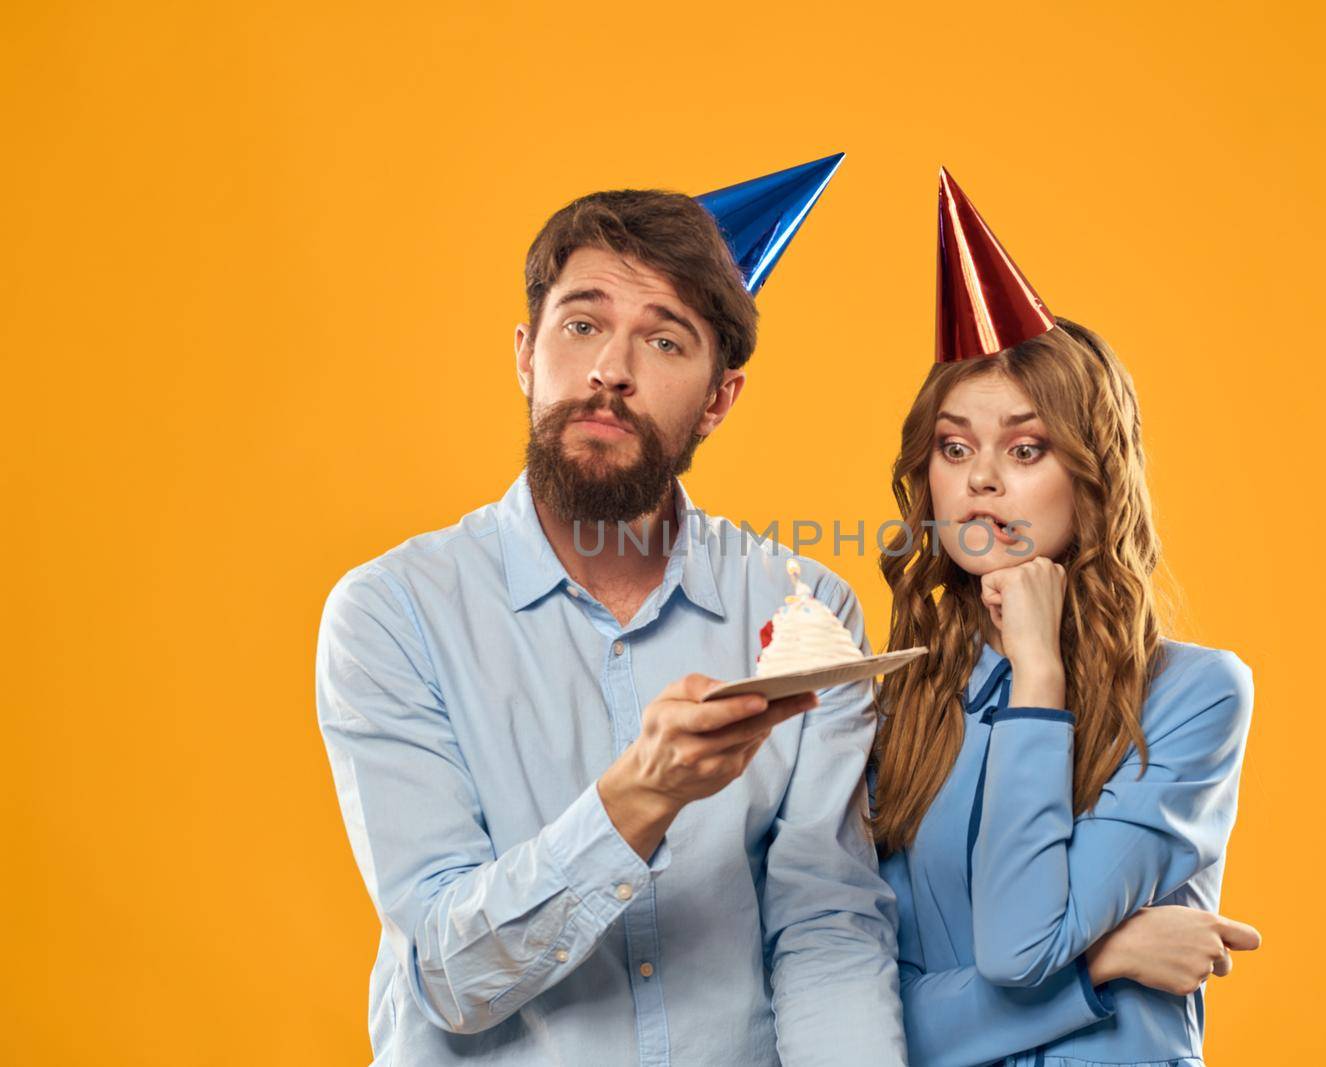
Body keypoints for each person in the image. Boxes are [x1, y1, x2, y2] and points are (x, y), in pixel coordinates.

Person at [316, 156, 909, 1066]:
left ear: (719, 399)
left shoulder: (803, 608)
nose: (609, 371)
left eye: (664, 341)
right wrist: (643, 794)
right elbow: (448, 974)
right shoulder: (393, 614)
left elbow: (827, 930)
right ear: (526, 353)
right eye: (583, 323)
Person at [871, 169, 1261, 1067]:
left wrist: (1039, 678)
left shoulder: (1195, 697)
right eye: (955, 447)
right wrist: (1106, 962)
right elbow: (879, 1025)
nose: (982, 480)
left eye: (1026, 447)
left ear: (1091, 474)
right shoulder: (896, 708)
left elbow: (1014, 949)